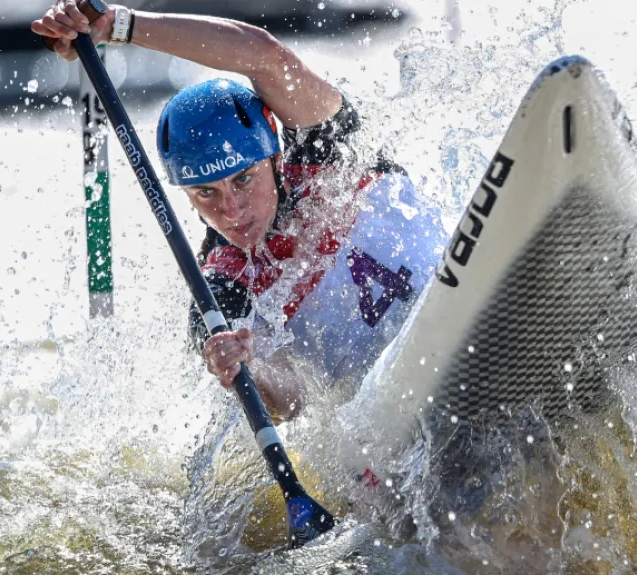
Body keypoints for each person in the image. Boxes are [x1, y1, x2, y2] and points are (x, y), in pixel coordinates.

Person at [32, 2, 448, 423]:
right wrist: (248, 368)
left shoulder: (328, 150)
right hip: (390, 414)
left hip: (453, 298)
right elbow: (290, 403)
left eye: (244, 179)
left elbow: (265, 57)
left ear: (273, 155)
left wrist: (121, 25)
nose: (231, 211)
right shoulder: (218, 286)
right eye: (205, 192)